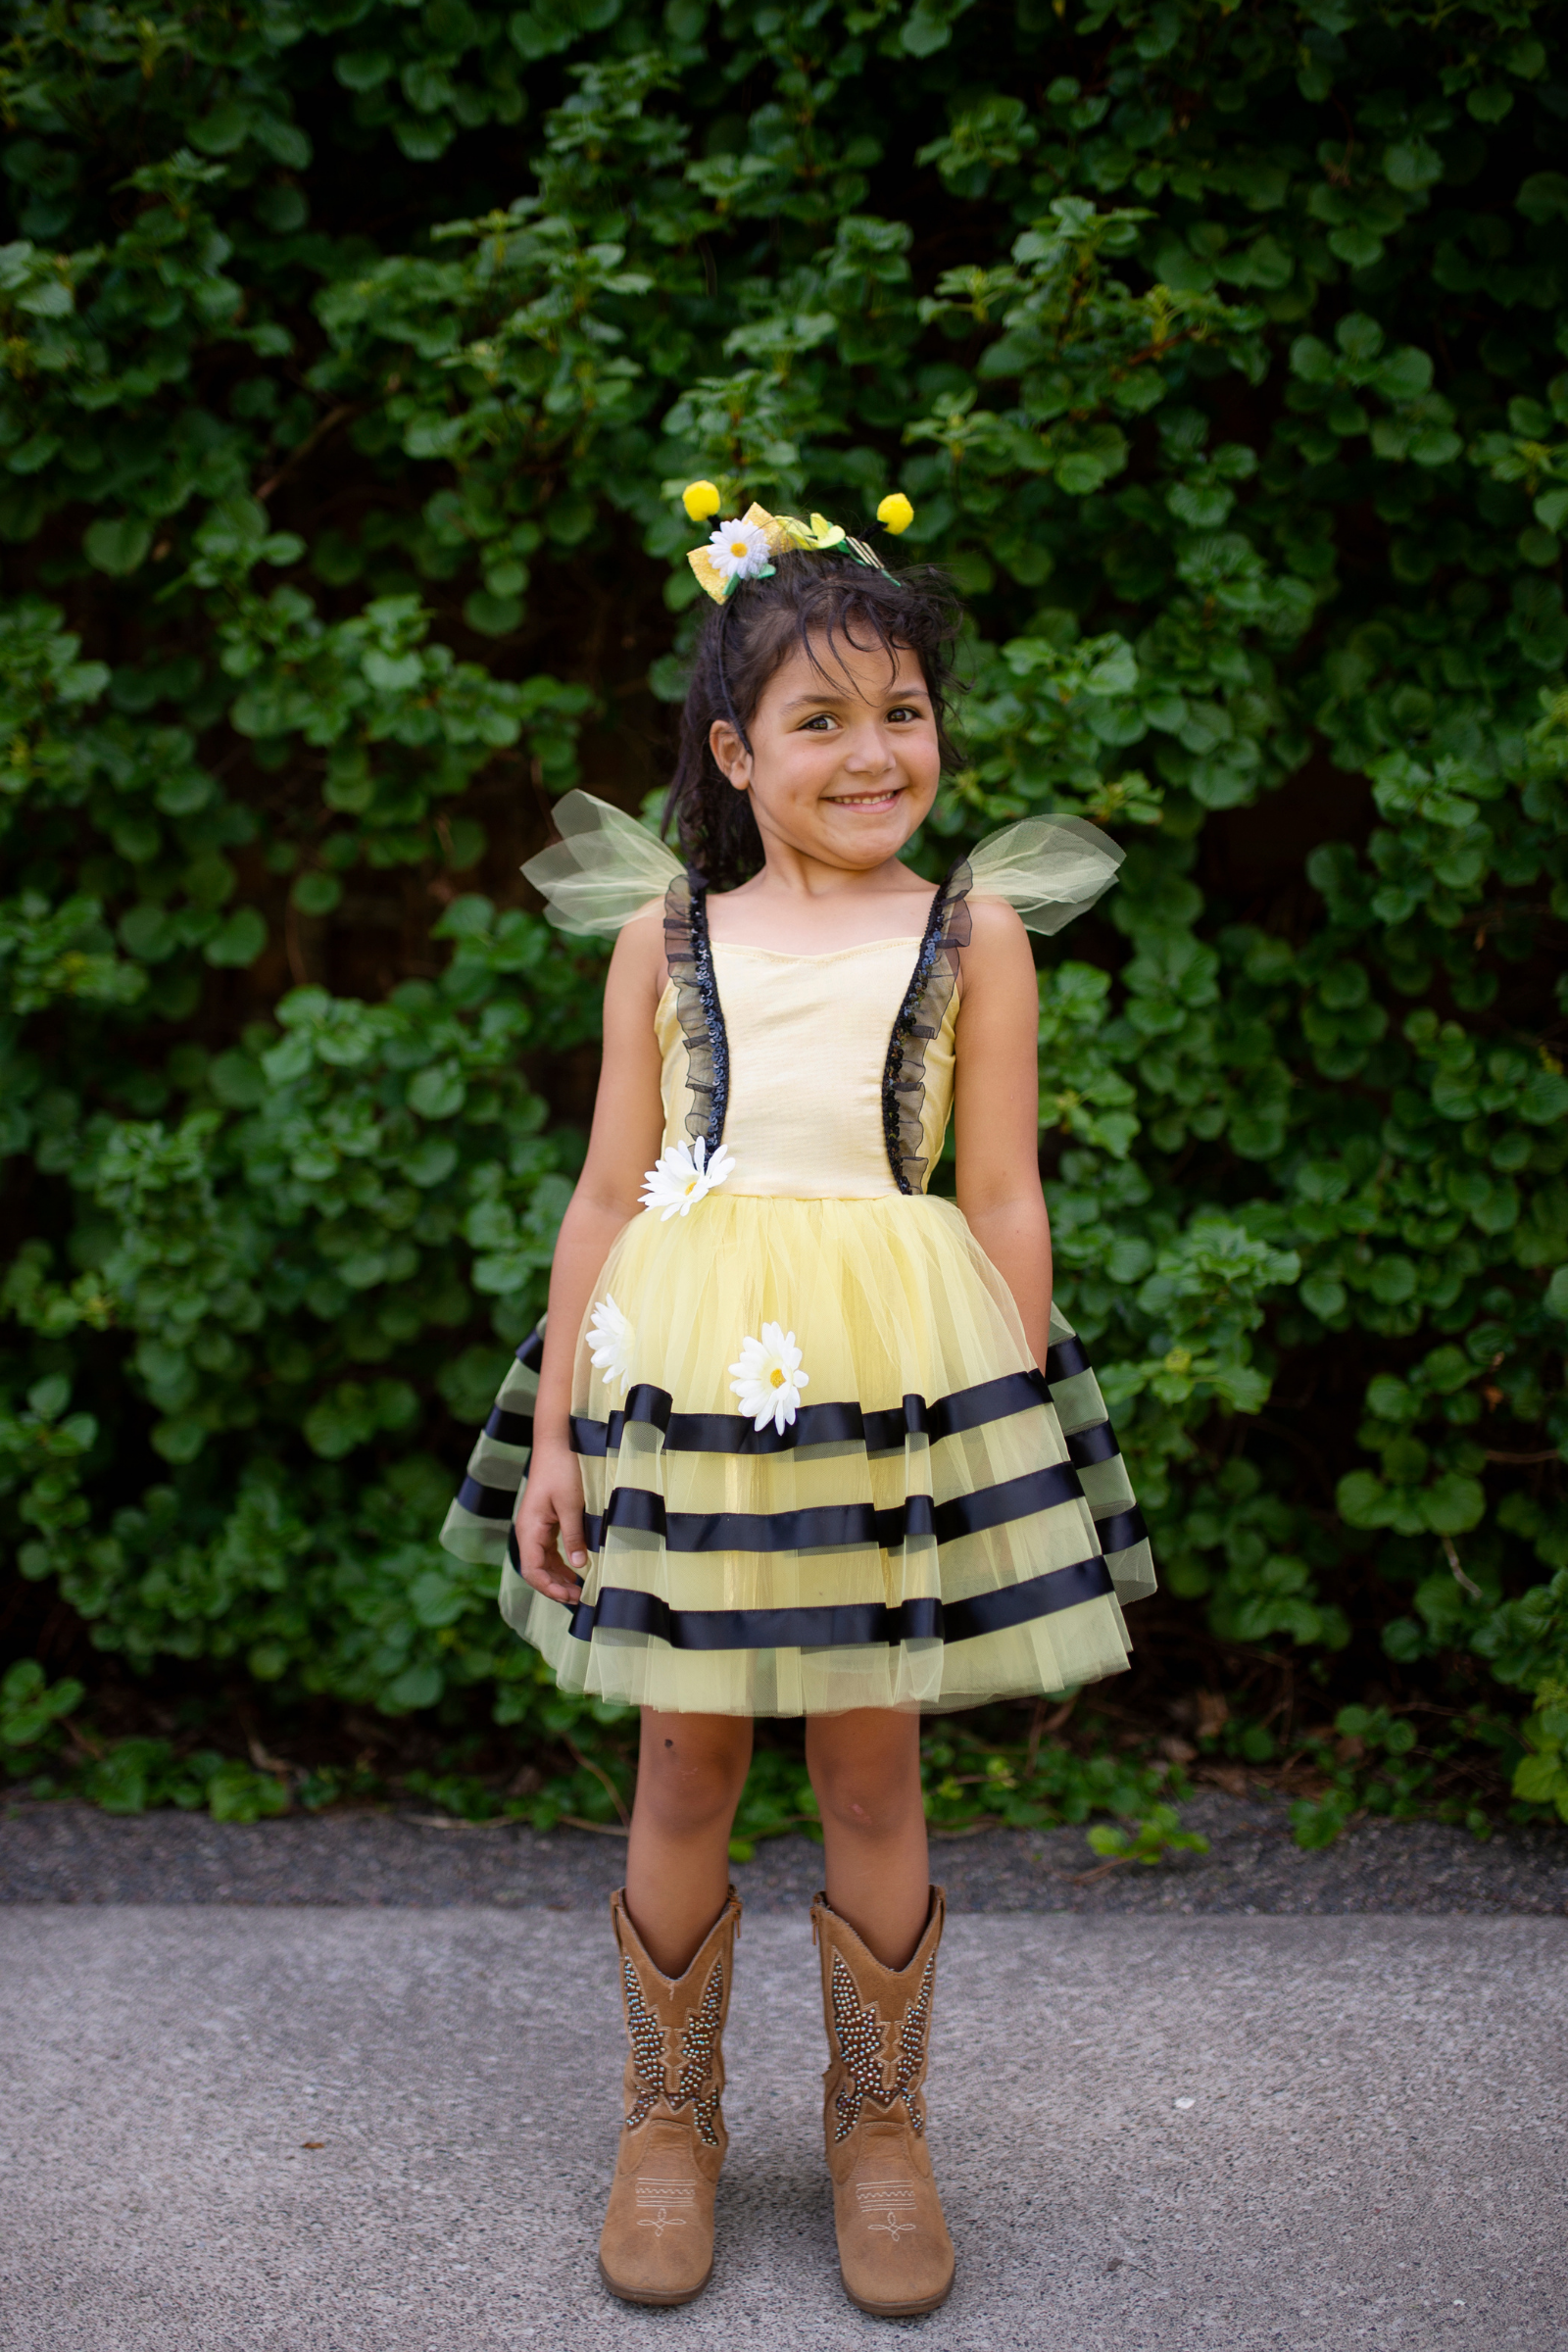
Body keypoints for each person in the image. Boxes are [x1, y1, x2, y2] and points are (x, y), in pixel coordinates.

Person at [440, 494, 1153, 2318]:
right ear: (736, 754)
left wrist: (998, 1429)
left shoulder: (973, 939)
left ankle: (879, 2127)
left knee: (870, 1755)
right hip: (688, 1383)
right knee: (684, 1753)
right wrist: (560, 1434)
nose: (870, 752)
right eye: (820, 723)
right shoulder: (665, 941)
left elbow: (999, 1199)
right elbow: (609, 1195)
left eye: (901, 711)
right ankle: (666, 2121)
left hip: (891, 1388)